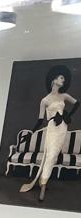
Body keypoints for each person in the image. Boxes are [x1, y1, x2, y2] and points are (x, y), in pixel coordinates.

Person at [20, 65, 78, 202]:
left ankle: (43, 181)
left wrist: (68, 115)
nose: (63, 80)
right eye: (61, 78)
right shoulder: (44, 100)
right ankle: (43, 184)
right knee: (50, 154)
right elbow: (40, 120)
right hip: (52, 127)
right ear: (54, 79)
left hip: (63, 127)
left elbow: (77, 103)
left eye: (64, 78)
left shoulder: (64, 96)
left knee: (54, 155)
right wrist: (31, 133)